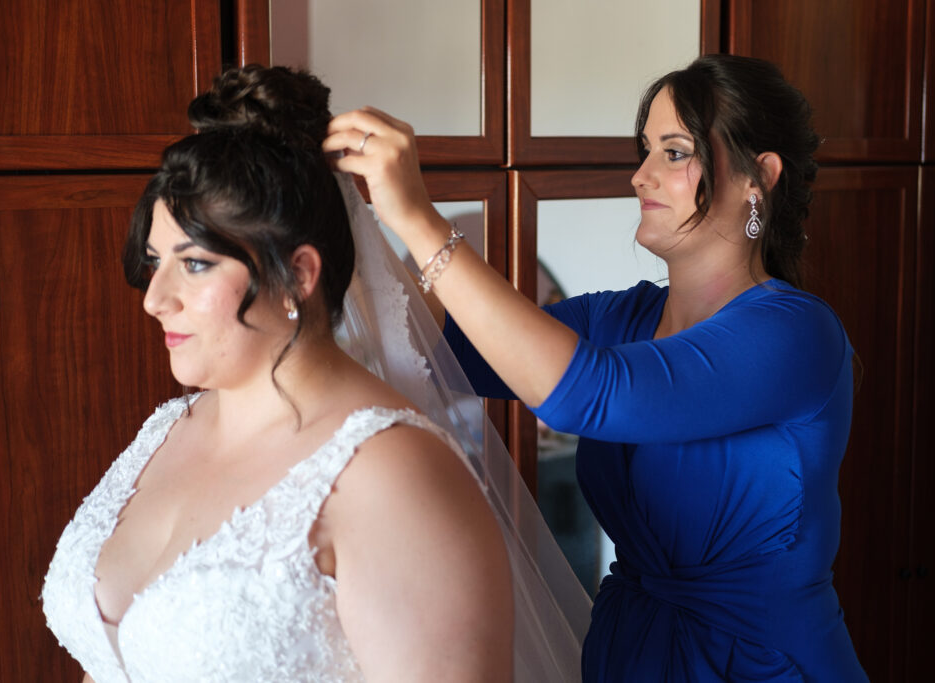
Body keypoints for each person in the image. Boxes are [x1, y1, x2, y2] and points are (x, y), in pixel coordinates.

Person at [325, 54, 869, 681]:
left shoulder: (796, 332)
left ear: (759, 177)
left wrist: (419, 218)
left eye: (674, 152)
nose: (640, 176)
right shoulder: (618, 319)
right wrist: (341, 214)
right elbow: (436, 349)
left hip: (760, 665)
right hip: (625, 652)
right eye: (645, 151)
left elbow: (588, 393)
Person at [42, 65, 589, 682]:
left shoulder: (390, 474)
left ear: (298, 275)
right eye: (154, 262)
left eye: (194, 265)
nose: (154, 299)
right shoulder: (163, 433)